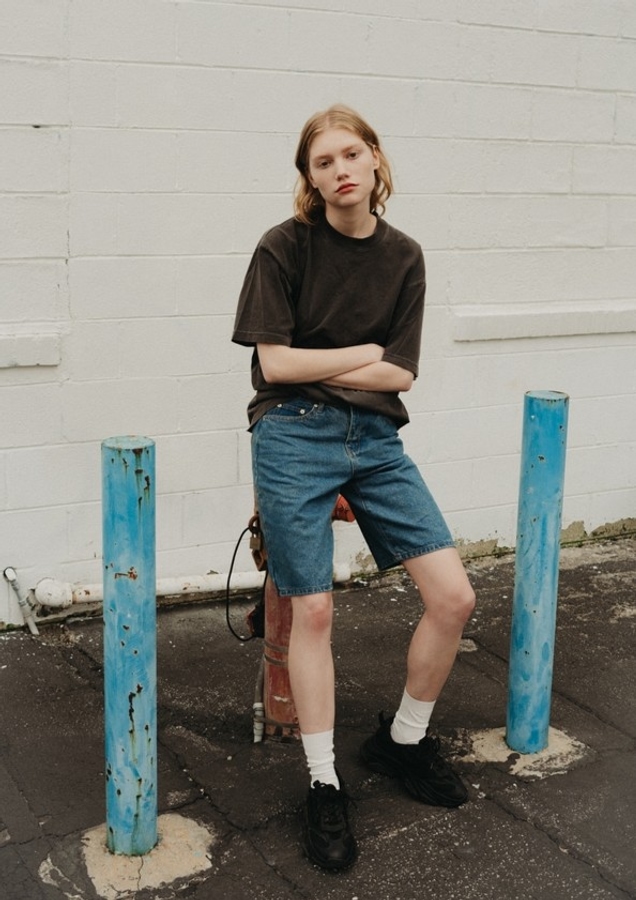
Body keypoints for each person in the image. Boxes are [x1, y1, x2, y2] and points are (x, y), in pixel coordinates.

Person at [232, 104, 476, 871]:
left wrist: (335, 360)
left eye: (350, 154)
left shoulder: (404, 257)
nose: (339, 170)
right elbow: (274, 364)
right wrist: (362, 352)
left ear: (375, 158)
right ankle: (323, 782)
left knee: (454, 597)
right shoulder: (283, 247)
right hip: (291, 433)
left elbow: (400, 375)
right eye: (322, 162)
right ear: (309, 178)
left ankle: (402, 740)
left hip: (374, 439)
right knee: (313, 608)